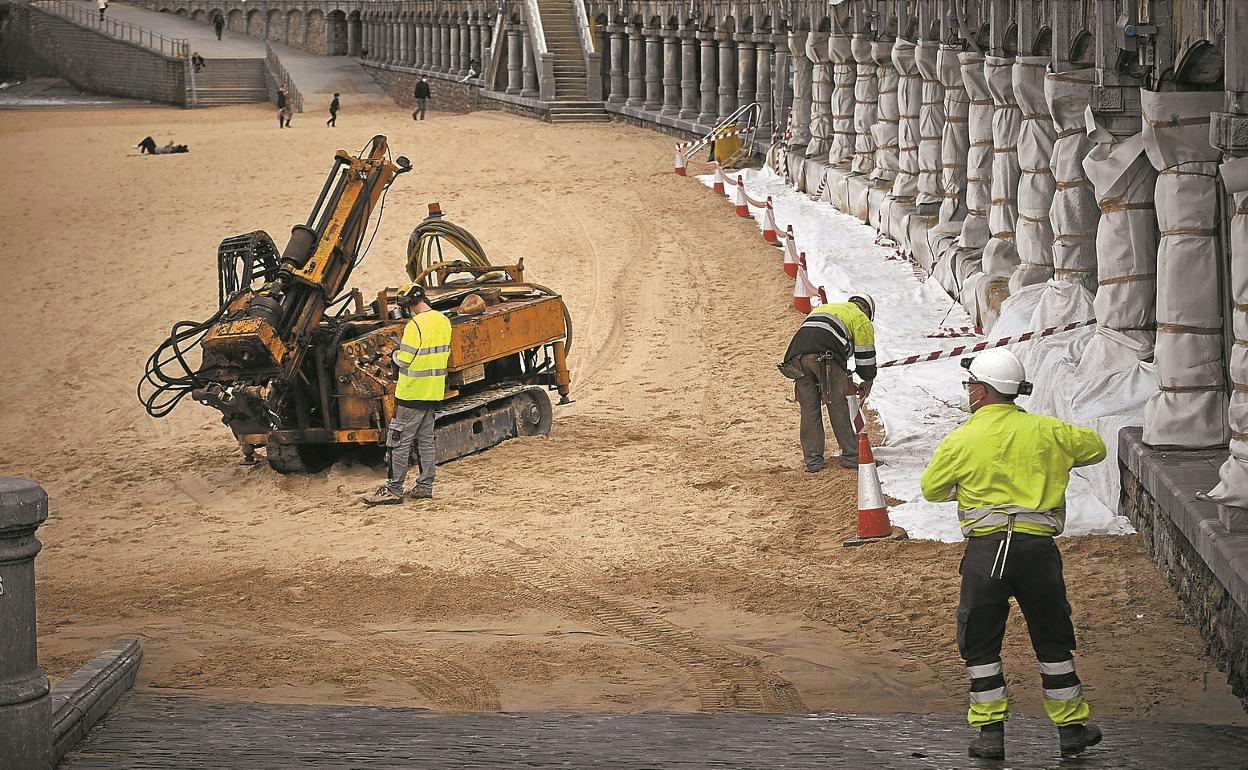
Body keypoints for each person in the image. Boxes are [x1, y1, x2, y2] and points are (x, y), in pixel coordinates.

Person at [919, 349, 1106, 761]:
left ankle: (990, 735)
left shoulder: (962, 438)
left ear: (982, 392)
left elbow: (931, 489)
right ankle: (1071, 728)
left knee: (981, 644)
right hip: (1038, 551)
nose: (968, 392)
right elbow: (1095, 449)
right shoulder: (1047, 430)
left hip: (986, 553)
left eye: (971, 386)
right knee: (1052, 639)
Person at [364, 282, 452, 506]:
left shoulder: (415, 326)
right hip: (433, 392)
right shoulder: (443, 321)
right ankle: (425, 487)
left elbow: (405, 359)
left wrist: (394, 354)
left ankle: (394, 489)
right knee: (425, 443)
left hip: (412, 392)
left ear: (409, 303)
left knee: (399, 442)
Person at [777, 293, 876, 472]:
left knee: (809, 409)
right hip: (824, 357)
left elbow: (814, 337)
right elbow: (865, 358)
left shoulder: (825, 309)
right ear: (868, 311)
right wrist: (867, 380)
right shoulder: (861, 319)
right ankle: (852, 456)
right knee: (837, 405)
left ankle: (813, 461)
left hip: (797, 357)